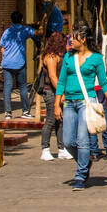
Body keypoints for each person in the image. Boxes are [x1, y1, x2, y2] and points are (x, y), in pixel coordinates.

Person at [53, 22, 107, 191]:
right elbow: (61, 81)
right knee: (68, 141)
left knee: (83, 140)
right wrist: (56, 103)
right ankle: (85, 161)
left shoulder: (96, 58)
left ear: (82, 39)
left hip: (86, 103)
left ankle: (80, 175)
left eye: (73, 37)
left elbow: (104, 84)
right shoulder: (68, 57)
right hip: (69, 103)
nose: (69, 41)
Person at [37, 31, 71, 162]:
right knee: (50, 120)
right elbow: (52, 76)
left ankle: (61, 148)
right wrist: (61, 92)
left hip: (56, 91)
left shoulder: (58, 55)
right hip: (50, 91)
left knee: (60, 120)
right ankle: (45, 149)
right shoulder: (51, 57)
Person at [0, 11, 39, 119]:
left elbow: (2, 48)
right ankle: (25, 112)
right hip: (19, 63)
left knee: (7, 87)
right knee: (22, 87)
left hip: (7, 63)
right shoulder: (23, 29)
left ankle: (8, 113)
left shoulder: (7, 31)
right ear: (21, 20)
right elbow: (37, 33)